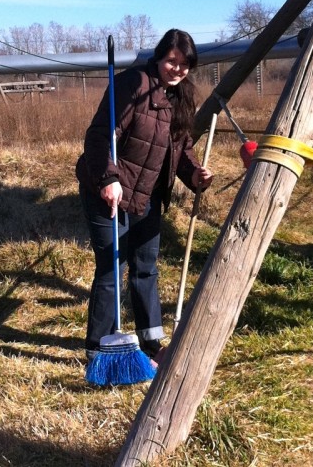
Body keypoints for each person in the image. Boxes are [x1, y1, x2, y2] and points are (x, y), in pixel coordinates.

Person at [76, 28, 213, 365]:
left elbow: (182, 150)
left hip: (148, 196)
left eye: (185, 64)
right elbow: (98, 137)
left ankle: (151, 344)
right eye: (171, 61)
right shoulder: (132, 85)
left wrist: (195, 174)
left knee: (146, 269)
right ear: (159, 57)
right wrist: (108, 178)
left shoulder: (182, 97)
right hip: (106, 192)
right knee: (111, 270)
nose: (177, 69)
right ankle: (99, 350)